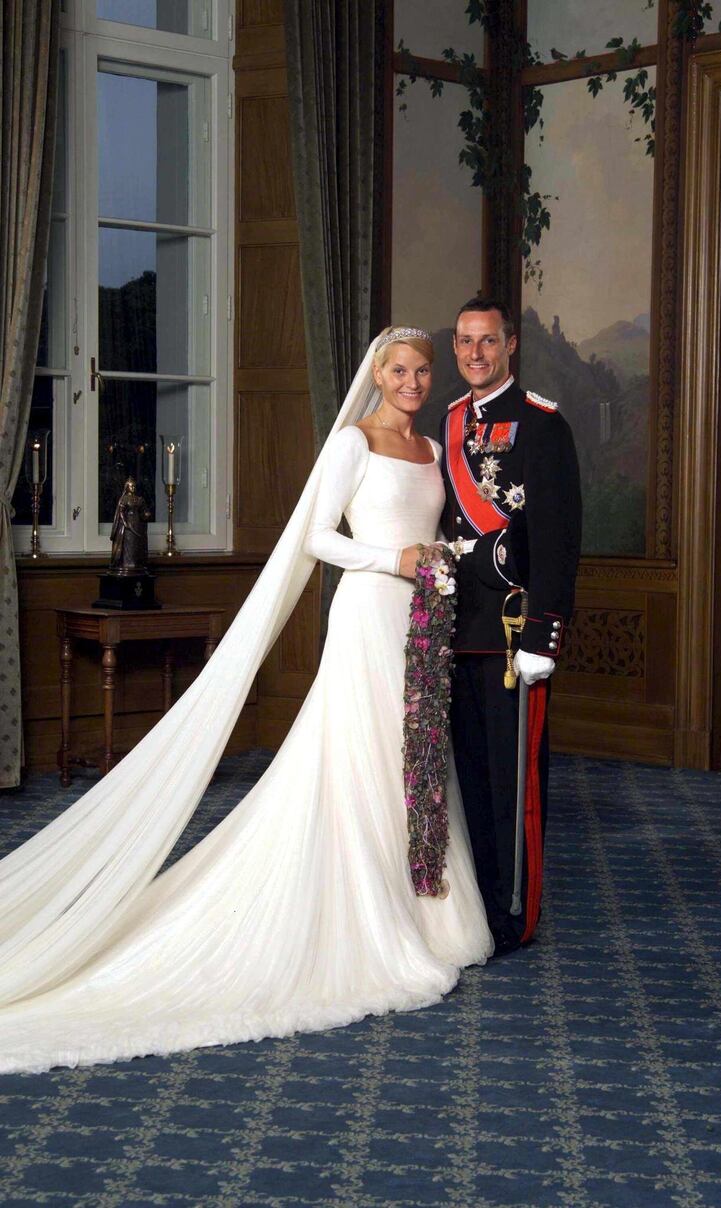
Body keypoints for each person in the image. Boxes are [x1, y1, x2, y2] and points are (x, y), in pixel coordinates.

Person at [0, 327, 491, 1074]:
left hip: (419, 620)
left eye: (424, 370)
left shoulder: (432, 451)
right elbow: (319, 538)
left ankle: (430, 910)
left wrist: (439, 567)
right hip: (368, 610)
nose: (414, 381)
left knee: (416, 754)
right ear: (378, 375)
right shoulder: (353, 444)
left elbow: (442, 529)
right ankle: (372, 912)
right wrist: (394, 558)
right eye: (400, 370)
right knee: (365, 755)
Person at [439, 298, 581, 957]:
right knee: (469, 780)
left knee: (512, 785)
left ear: (510, 345)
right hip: (456, 635)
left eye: (487, 341)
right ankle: (477, 908)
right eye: (465, 342)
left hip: (512, 638)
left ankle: (513, 915)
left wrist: (542, 638)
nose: (475, 353)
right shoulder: (448, 423)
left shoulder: (543, 425)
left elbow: (557, 542)